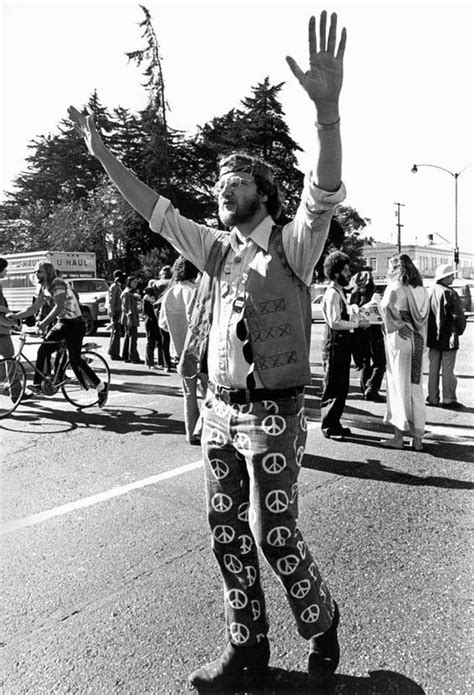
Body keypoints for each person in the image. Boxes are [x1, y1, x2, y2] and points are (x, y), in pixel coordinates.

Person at [69, 10, 346, 689]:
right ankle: (246, 647)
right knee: (225, 529)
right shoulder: (214, 249)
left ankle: (321, 619)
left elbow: (324, 190)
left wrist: (327, 115)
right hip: (220, 414)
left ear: (264, 192)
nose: (225, 186)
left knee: (272, 528)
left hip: (274, 414)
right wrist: (105, 158)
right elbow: (155, 209)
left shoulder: (293, 243)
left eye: (239, 179)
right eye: (219, 181)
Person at [11, 261, 108, 406]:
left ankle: (101, 386)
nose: (36, 274)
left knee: (75, 359)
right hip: (62, 323)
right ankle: (39, 384)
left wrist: (44, 323)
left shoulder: (57, 283)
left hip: (75, 324)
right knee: (43, 350)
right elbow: (33, 308)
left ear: (47, 272)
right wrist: (14, 316)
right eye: (35, 272)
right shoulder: (43, 287)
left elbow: (59, 306)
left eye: (39, 271)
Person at [380, 254, 429, 451]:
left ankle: (398, 436)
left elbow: (385, 308)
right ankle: (417, 439)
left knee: (398, 386)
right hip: (418, 340)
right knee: (415, 387)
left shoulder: (395, 287)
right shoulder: (422, 290)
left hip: (400, 339)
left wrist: (399, 324)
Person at [320, 252, 368, 438]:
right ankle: (329, 427)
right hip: (334, 343)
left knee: (341, 386)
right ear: (335, 273)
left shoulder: (340, 291)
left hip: (341, 343)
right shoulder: (332, 293)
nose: (349, 273)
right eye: (345, 270)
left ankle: (335, 422)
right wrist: (357, 324)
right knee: (333, 385)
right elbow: (335, 322)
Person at [159, 256, 206, 443]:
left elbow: (163, 324)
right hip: (198, 350)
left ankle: (191, 433)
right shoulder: (196, 291)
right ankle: (203, 430)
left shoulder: (169, 294)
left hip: (179, 351)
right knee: (208, 393)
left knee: (189, 394)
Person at [426, 263, 466, 409]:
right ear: (446, 277)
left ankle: (433, 397)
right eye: (451, 275)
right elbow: (458, 317)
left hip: (432, 336)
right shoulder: (449, 293)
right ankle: (448, 398)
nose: (453, 278)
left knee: (433, 368)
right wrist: (460, 330)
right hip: (448, 336)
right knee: (448, 369)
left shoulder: (430, 291)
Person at [350, 266, 386, 402]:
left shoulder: (353, 295)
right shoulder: (374, 295)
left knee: (365, 362)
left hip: (359, 332)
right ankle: (372, 389)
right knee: (380, 362)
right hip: (374, 332)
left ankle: (365, 388)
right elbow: (379, 314)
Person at [0, 257, 24, 403]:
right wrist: (11, 324)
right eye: (5, 269)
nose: (6, 271)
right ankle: (16, 393)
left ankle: (15, 392)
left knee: (8, 361)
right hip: (1, 332)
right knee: (11, 361)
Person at [153, 265, 173, 372]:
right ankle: (169, 362)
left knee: (162, 338)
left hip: (159, 309)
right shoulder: (172, 282)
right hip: (171, 309)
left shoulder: (156, 283)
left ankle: (165, 363)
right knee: (170, 338)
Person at [120, 275, 143, 364]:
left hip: (131, 317)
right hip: (130, 318)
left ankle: (126, 356)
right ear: (129, 282)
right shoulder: (126, 293)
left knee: (128, 336)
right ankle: (133, 357)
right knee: (133, 338)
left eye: (136, 282)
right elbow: (126, 307)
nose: (136, 284)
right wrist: (129, 318)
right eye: (134, 282)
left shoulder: (130, 293)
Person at [142, 280, 161, 369]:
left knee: (158, 341)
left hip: (154, 320)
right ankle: (150, 362)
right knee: (151, 341)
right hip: (150, 320)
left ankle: (158, 361)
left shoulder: (152, 296)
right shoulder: (147, 297)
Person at [107, 270, 125, 360]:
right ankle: (114, 353)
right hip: (115, 313)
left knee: (117, 333)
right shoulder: (114, 287)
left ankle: (113, 351)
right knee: (116, 333)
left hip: (118, 312)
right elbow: (111, 301)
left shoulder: (118, 286)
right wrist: (113, 314)